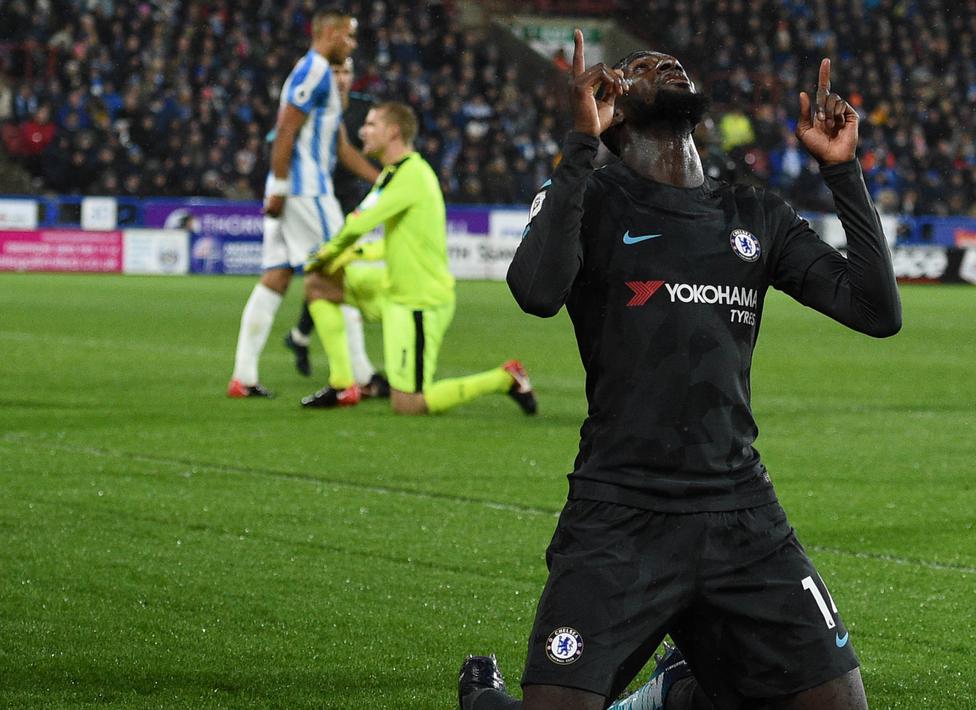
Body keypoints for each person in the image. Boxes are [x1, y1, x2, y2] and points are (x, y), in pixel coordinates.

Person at [458, 30, 899, 710]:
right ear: (615, 109)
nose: (659, 63)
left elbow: (876, 311)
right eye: (636, 68)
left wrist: (842, 171)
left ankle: (680, 688)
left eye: (669, 62)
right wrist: (579, 144)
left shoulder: (754, 212)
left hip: (741, 515)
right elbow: (537, 292)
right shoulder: (591, 196)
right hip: (620, 512)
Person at [303, 101, 538, 416]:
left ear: (393, 132)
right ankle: (343, 383)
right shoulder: (392, 173)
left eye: (372, 124)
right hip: (393, 288)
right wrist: (345, 256)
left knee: (409, 404)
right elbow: (388, 243)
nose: (363, 130)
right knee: (319, 284)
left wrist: (328, 252)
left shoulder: (413, 174)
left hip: (419, 301)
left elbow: (360, 223)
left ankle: (504, 378)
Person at [226, 6, 380, 399]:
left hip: (293, 189)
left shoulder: (322, 77)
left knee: (276, 276)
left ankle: (243, 377)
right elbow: (284, 131)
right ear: (329, 35)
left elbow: (341, 147)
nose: (352, 44)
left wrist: (382, 178)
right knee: (336, 276)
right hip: (305, 190)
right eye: (348, 36)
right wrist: (279, 186)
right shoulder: (314, 71)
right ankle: (357, 376)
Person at [282, 55, 389, 398]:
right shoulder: (312, 107)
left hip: (346, 199)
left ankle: (304, 338)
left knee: (325, 274)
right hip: (314, 197)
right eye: (336, 72)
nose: (341, 78)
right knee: (332, 274)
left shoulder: (363, 109)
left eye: (346, 72)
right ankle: (360, 375)